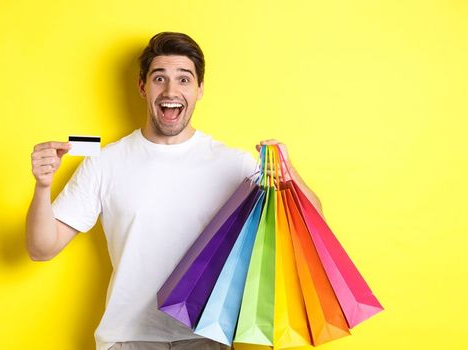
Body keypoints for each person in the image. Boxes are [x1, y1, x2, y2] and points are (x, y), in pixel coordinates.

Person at [26, 32, 322, 350]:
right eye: (159, 78)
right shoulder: (106, 163)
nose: (171, 90)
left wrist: (290, 175)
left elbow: (310, 228)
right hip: (129, 338)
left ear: (199, 89)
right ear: (143, 87)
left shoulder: (235, 165)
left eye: (184, 79)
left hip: (206, 337)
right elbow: (41, 248)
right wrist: (43, 187)